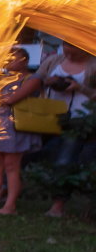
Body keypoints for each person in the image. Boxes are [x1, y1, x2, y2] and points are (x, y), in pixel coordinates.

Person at [33, 42, 96, 216]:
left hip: (78, 118)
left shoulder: (93, 65)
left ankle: (58, 204)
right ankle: (13, 191)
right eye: (66, 47)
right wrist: (47, 82)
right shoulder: (54, 60)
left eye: (73, 49)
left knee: (65, 159)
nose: (69, 53)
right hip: (47, 116)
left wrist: (80, 87)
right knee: (32, 151)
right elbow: (35, 80)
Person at [0, 47, 41, 215]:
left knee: (12, 165)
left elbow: (11, 99)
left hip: (16, 125)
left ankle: (10, 205)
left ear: (24, 60)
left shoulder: (32, 79)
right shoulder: (1, 78)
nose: (8, 60)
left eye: (13, 57)